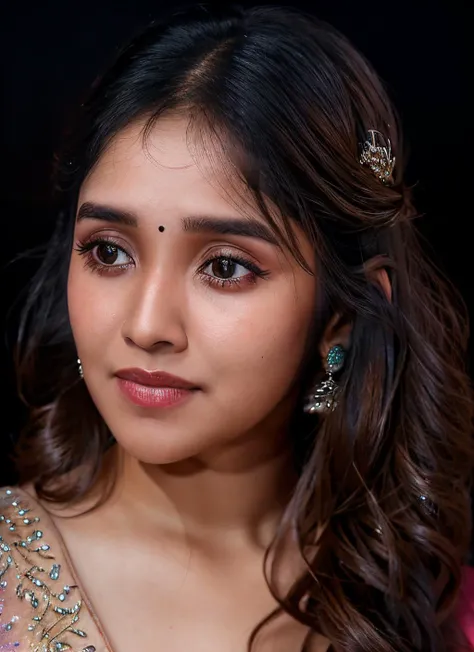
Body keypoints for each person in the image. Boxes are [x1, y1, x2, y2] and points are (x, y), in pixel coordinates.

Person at [1, 3, 473, 650]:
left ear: (341, 316)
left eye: (225, 266)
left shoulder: (434, 613)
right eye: (109, 251)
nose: (147, 325)